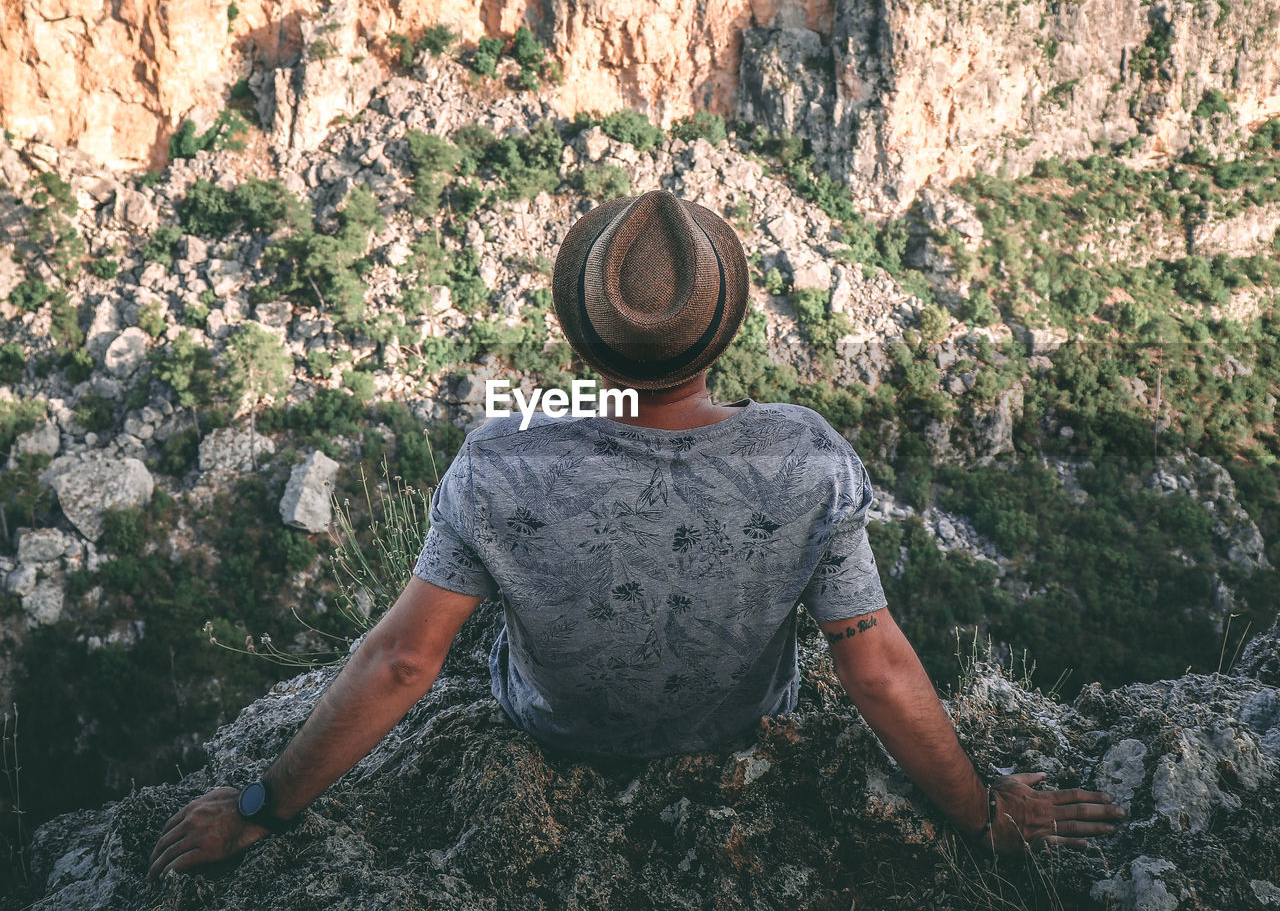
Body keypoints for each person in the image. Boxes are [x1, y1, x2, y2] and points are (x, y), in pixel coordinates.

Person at [149, 190, 1124, 881]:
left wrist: (258, 809)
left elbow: (406, 661)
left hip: (555, 728)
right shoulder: (803, 454)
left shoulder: (498, 459)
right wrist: (982, 809)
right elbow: (873, 669)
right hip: (733, 725)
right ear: (723, 331)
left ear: (576, 338)